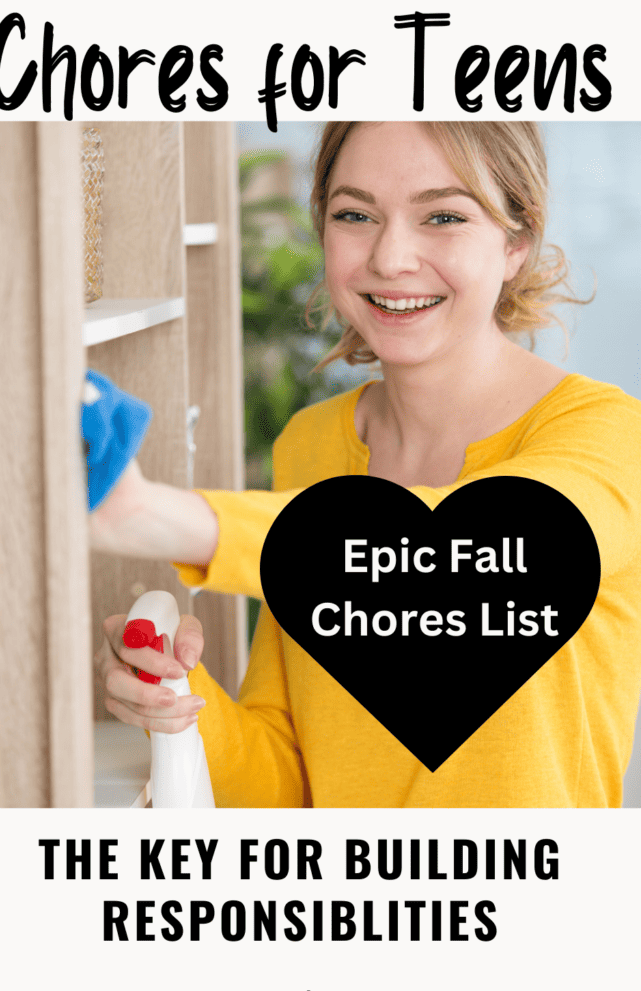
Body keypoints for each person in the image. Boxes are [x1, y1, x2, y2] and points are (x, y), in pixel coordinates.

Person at [92, 121, 641, 808]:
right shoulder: (312, 444)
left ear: (515, 242)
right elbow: (289, 781)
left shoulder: (605, 434)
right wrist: (175, 696)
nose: (390, 257)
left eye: (443, 215)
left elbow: (462, 559)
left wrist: (152, 516)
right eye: (355, 214)